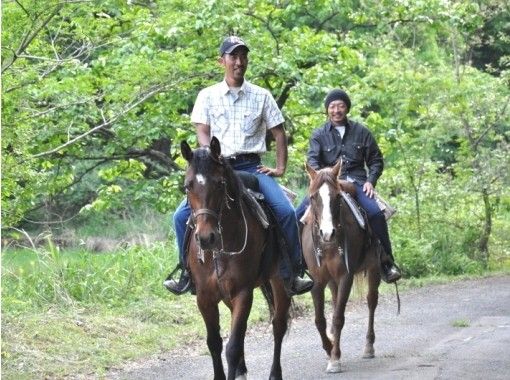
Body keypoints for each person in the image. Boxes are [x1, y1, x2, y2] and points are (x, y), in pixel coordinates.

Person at [164, 36, 313, 296]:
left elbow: (279, 133)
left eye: (243, 56)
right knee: (179, 217)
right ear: (222, 61)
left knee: (286, 212)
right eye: (233, 56)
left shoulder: (262, 96)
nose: (239, 61)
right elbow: (202, 131)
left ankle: (293, 272)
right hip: (216, 168)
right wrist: (209, 157)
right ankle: (186, 273)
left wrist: (279, 168)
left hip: (252, 167)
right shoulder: (207, 95)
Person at [295, 89, 401, 283]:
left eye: (341, 106)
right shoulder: (319, 134)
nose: (336, 110)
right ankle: (299, 265)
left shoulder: (362, 132)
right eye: (332, 106)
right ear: (327, 110)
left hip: (357, 183)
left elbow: (376, 160)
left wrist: (371, 180)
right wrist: (323, 179)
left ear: (347, 108)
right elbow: (313, 161)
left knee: (376, 214)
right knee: (297, 216)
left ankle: (387, 263)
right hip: (327, 185)